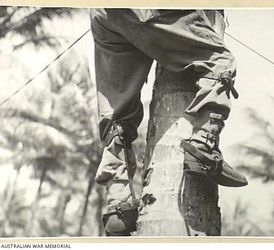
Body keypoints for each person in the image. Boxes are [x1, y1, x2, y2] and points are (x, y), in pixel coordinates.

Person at [90, 9, 248, 236]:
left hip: (103, 14)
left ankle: (117, 201)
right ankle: (204, 142)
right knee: (220, 62)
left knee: (118, 114)